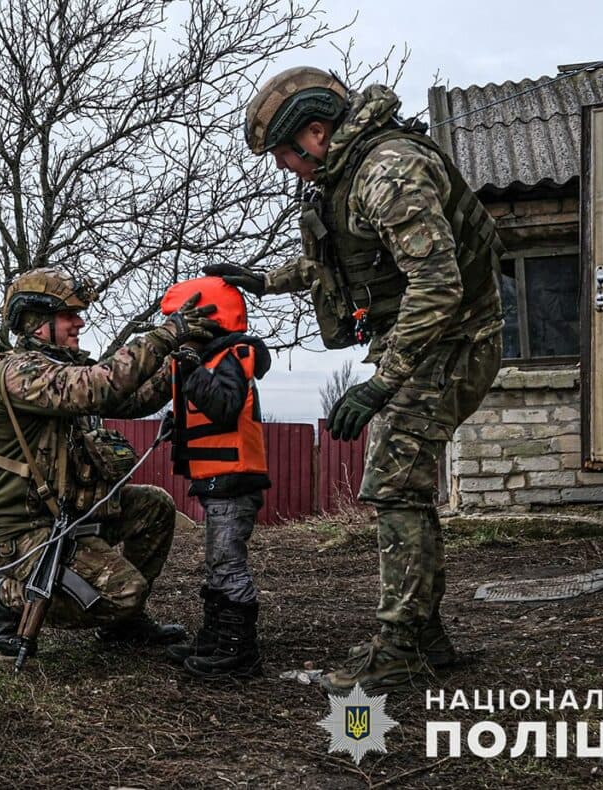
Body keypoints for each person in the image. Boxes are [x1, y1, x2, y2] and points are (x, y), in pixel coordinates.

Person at [207, 67, 504, 695]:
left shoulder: (387, 171)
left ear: (316, 133)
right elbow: (341, 261)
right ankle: (425, 637)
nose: (287, 167)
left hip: (456, 339)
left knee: (393, 478)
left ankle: (398, 646)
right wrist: (264, 282)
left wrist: (380, 383)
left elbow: (438, 285)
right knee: (405, 482)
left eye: (286, 155)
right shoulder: (348, 176)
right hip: (426, 341)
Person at [0, 267, 220, 657]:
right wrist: (167, 333)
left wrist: (180, 363)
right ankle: (7, 597)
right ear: (37, 320)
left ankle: (123, 626)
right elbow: (99, 386)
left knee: (153, 506)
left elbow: (129, 398)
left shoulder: (58, 368)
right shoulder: (20, 372)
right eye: (69, 315)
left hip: (64, 510)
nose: (79, 322)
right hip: (20, 524)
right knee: (123, 592)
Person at [159, 277, 271, 679]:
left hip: (234, 480)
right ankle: (214, 637)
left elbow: (224, 406)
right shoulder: (211, 362)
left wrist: (190, 372)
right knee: (216, 562)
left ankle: (239, 651)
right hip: (216, 479)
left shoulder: (228, 358)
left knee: (227, 563)